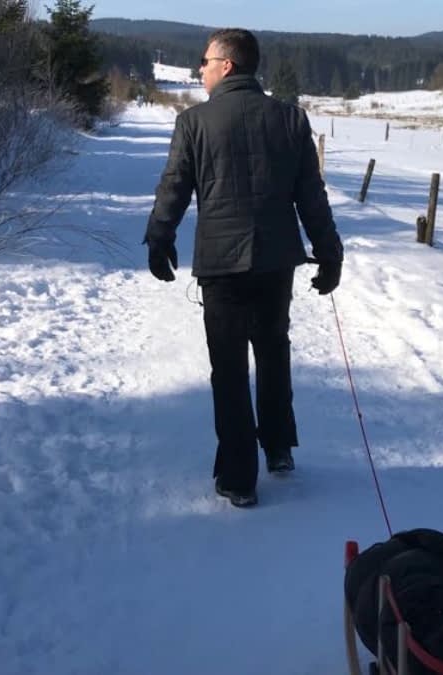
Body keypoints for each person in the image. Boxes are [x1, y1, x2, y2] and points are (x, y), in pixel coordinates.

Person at [143, 28, 343, 508]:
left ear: (227, 66)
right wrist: (329, 252)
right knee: (273, 351)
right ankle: (277, 449)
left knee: (229, 368)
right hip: (276, 264)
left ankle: (237, 478)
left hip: (222, 266)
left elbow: (175, 186)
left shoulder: (194, 121)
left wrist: (159, 238)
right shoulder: (290, 119)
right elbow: (311, 197)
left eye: (206, 61)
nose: (201, 69)